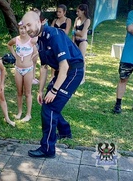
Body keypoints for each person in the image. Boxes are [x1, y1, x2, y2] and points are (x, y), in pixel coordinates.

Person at [22, 11, 84, 158]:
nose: (27, 29)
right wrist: (41, 91)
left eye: (29, 24)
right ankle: (65, 132)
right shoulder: (40, 40)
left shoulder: (54, 35)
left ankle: (47, 149)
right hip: (63, 71)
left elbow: (65, 67)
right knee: (49, 103)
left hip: (73, 71)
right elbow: (44, 68)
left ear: (39, 22)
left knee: (49, 108)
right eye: (24, 26)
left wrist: (54, 90)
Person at [7, 21, 38, 122]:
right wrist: (15, 55)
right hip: (18, 69)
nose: (23, 30)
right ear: (18, 29)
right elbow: (9, 45)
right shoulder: (16, 40)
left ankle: (28, 114)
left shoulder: (31, 40)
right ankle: (19, 112)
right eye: (21, 28)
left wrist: (31, 58)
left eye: (25, 28)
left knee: (27, 93)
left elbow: (36, 51)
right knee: (19, 92)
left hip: (28, 69)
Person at [112, 10, 133, 114]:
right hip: (129, 54)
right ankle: (118, 104)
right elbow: (131, 29)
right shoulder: (132, 13)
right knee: (123, 79)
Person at [50, 4, 72, 79]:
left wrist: (57, 31)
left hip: (63, 41)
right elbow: (51, 31)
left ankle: (62, 74)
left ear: (64, 12)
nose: (58, 13)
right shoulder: (55, 20)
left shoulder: (68, 20)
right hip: (55, 41)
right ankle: (52, 75)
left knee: (62, 58)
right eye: (57, 12)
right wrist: (60, 30)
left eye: (60, 12)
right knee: (53, 58)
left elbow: (66, 32)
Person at [72, 4, 90, 84]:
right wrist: (73, 41)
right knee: (75, 58)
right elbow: (73, 31)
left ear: (83, 11)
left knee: (82, 58)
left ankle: (82, 78)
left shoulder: (87, 20)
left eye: (78, 11)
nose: (77, 13)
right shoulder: (77, 19)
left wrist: (75, 32)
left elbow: (82, 33)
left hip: (83, 41)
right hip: (75, 41)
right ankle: (74, 74)